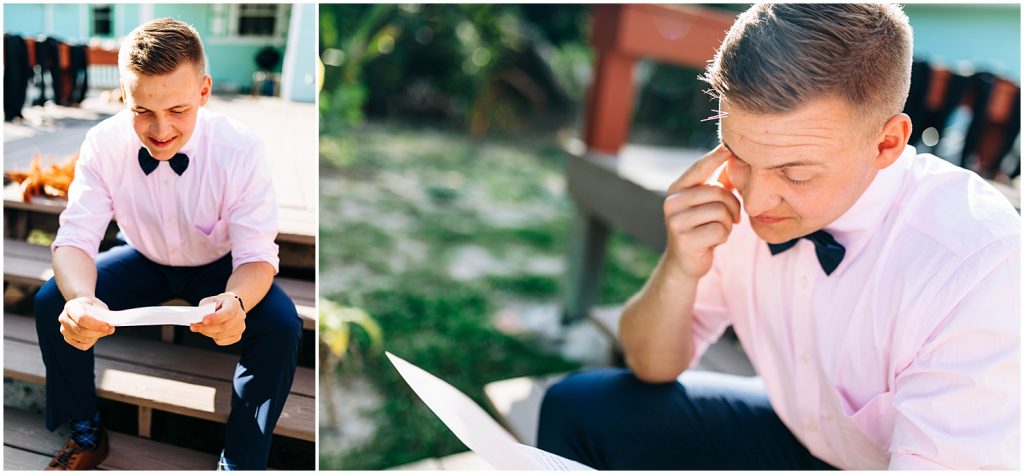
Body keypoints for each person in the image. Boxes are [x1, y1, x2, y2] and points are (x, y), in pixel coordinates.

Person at [537, 3, 1020, 470]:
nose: (757, 202)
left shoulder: (976, 262)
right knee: (575, 408)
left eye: (795, 174)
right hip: (803, 436)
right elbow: (650, 366)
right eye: (738, 155)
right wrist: (680, 267)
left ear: (887, 143)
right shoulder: (732, 198)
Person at [34, 18, 302, 470]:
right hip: (145, 257)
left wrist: (235, 299)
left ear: (203, 91)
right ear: (124, 95)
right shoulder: (101, 143)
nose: (160, 130)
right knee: (49, 301)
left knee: (282, 325)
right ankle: (85, 429)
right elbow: (75, 238)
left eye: (177, 109)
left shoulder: (241, 149)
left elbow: (256, 255)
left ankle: (241, 460)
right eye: (142, 111)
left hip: (220, 266)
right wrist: (81, 300)